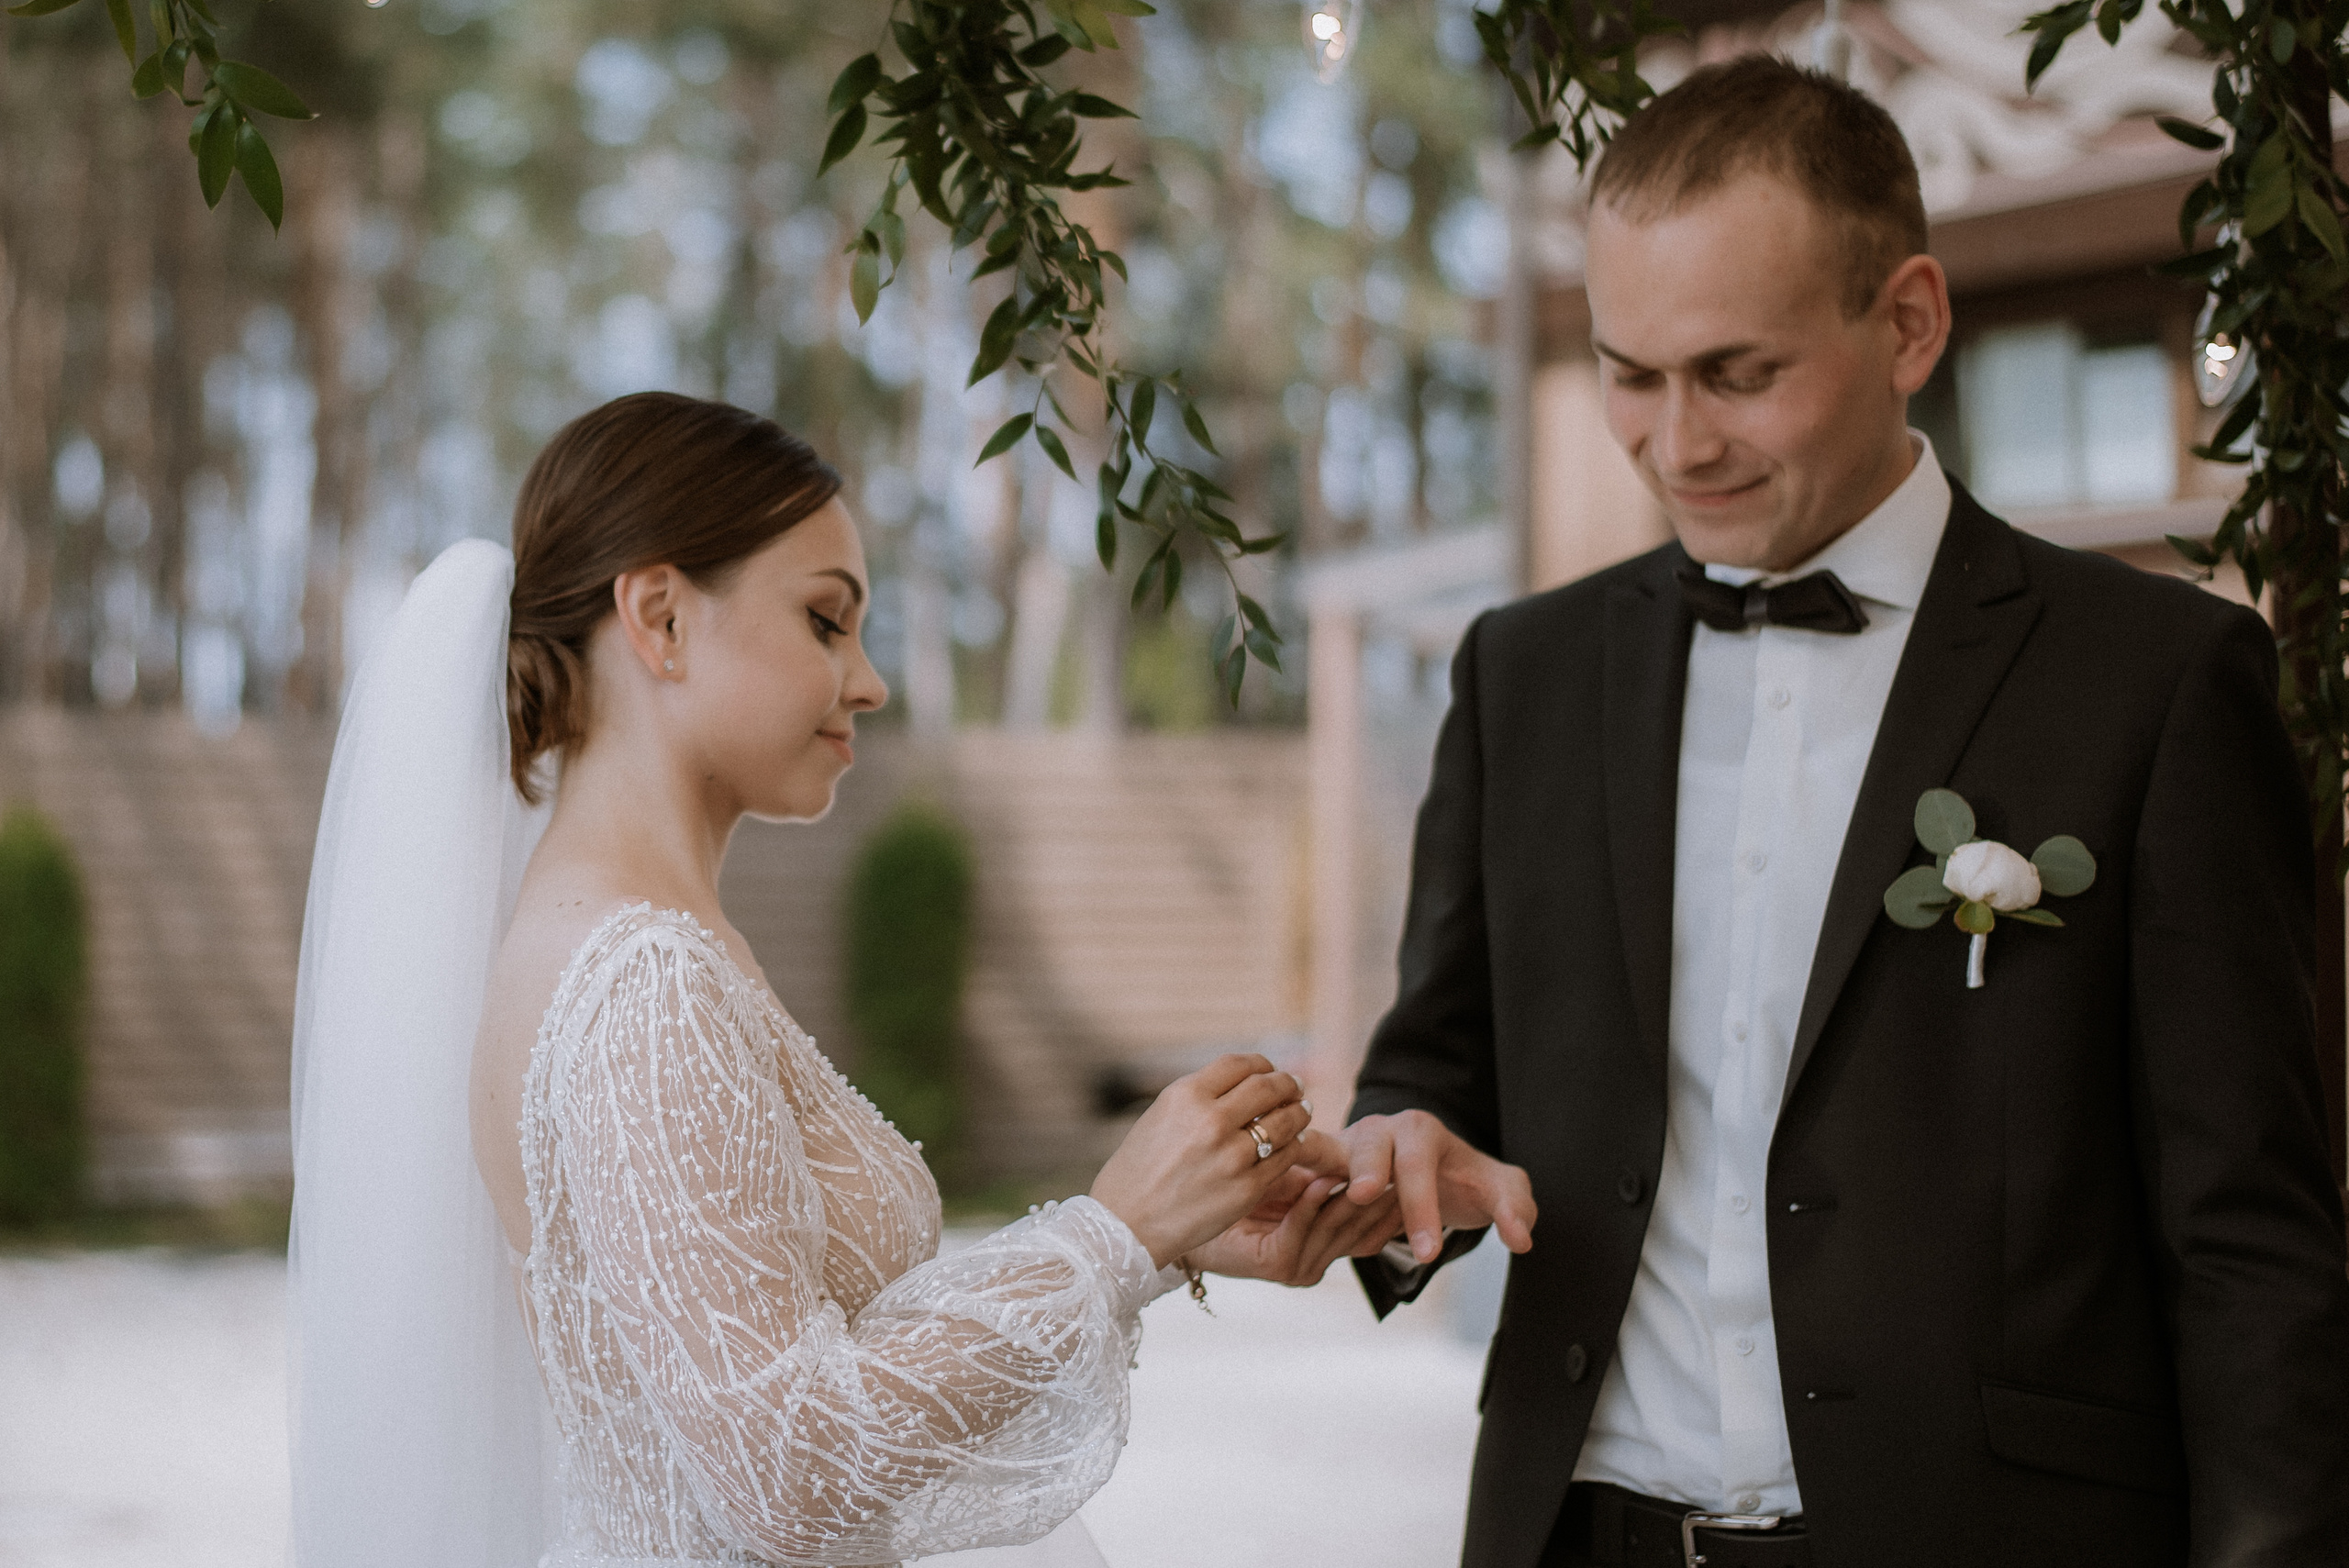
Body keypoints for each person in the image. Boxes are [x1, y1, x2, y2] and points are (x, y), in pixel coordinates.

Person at [1332, 55, 2349, 1568]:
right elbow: (1433, 1066)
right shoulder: (1523, 674)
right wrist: (1393, 1149)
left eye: (1738, 373)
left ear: (1911, 323)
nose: (1676, 444)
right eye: (1630, 372)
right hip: (1583, 1528)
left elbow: (2251, 1241)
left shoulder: (2158, 680)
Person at [287, 392, 1399, 1568]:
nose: (868, 682)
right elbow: (792, 1463)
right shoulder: (641, 982)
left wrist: (1165, 1231)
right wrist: (1110, 1233)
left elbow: (782, 1363)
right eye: (827, 621)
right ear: (659, 618)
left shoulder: (637, 942)